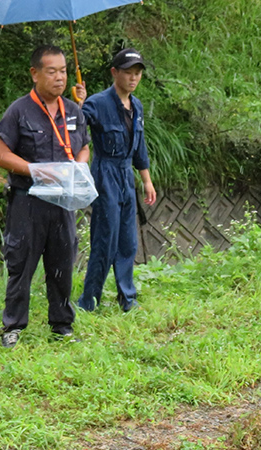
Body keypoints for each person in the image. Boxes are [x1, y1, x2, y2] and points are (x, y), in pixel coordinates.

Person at [0, 45, 90, 348]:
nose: (60, 77)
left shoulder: (73, 110)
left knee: (62, 262)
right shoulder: (19, 110)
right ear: (35, 74)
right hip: (28, 199)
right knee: (21, 263)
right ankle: (13, 326)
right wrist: (33, 170)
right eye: (52, 71)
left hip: (63, 201)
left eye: (63, 71)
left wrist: (80, 165)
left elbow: (84, 145)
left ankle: (62, 324)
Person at [73, 48, 157, 313]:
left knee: (128, 241)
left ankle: (127, 299)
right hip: (105, 173)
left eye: (137, 74)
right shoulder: (97, 103)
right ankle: (89, 301)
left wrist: (146, 180)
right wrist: (78, 103)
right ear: (114, 73)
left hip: (126, 176)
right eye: (128, 73)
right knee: (104, 239)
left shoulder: (137, 106)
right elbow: (76, 130)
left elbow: (139, 146)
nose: (133, 79)